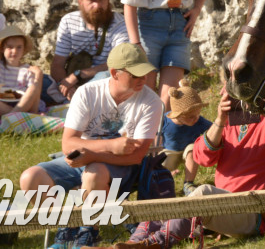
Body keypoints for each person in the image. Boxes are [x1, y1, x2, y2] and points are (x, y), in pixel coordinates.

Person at [19, 43, 163, 249]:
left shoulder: (151, 101)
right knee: (30, 178)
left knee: (93, 173)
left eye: (144, 73)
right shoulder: (87, 92)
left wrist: (92, 155)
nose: (143, 79)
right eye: (135, 74)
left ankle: (89, 231)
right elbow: (68, 143)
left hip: (121, 168)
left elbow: (136, 156)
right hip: (85, 159)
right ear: (114, 73)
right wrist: (112, 145)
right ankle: (67, 227)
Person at [187, 88, 265, 238]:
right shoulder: (226, 125)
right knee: (172, 211)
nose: (242, 102)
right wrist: (220, 120)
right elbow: (202, 158)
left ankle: (163, 236)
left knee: (203, 193)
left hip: (255, 213)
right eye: (233, 95)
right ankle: (161, 234)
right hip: (225, 209)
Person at [51, 0, 130, 100]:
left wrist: (80, 75)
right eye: (92, 0)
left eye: (101, 0)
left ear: (108, 0)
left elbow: (120, 63)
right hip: (71, 79)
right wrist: (65, 84)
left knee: (108, 76)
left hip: (102, 79)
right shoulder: (68, 21)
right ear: (81, 2)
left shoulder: (120, 23)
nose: (97, 5)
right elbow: (58, 63)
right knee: (39, 80)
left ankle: (82, 98)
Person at [161, 84, 211, 194]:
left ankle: (188, 183)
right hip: (171, 151)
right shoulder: (164, 121)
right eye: (191, 116)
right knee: (160, 169)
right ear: (178, 115)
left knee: (192, 149)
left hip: (188, 149)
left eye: (198, 114)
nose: (195, 118)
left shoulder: (199, 121)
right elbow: (153, 136)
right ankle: (160, 185)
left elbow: (213, 129)